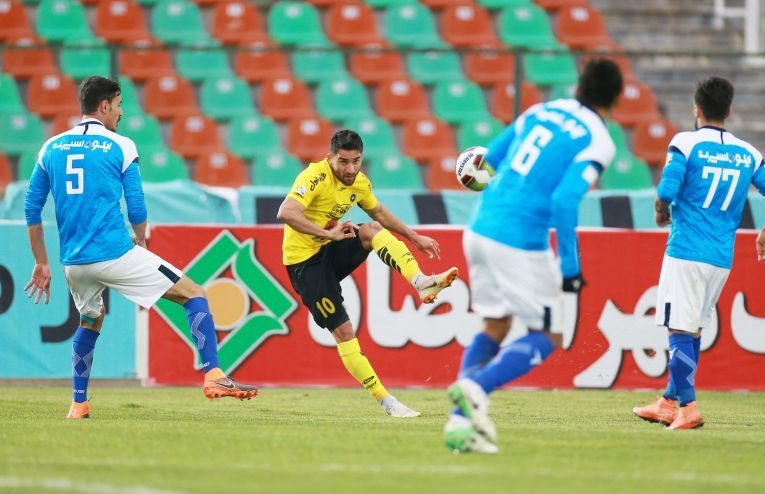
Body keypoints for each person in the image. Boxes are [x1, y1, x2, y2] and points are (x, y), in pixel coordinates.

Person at [24, 76, 259, 419]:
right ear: (104, 105)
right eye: (119, 105)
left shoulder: (51, 147)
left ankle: (78, 404)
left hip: (73, 262)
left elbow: (31, 207)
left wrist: (41, 262)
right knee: (193, 293)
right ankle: (214, 374)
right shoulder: (121, 145)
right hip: (115, 254)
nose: (121, 112)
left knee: (90, 320)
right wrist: (142, 242)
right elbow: (135, 205)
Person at [444, 59, 624, 453]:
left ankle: (461, 425)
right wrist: (571, 267)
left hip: (479, 227)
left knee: (496, 323)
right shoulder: (598, 139)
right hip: (519, 238)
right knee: (549, 334)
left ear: (579, 86)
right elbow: (565, 200)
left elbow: (487, 162)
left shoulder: (540, 110)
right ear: (616, 99)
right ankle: (476, 386)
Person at [277, 129, 458, 418]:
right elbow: (286, 212)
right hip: (304, 264)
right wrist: (329, 234)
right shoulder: (314, 177)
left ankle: (421, 282)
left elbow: (380, 213)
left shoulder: (359, 182)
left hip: (330, 249)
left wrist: (415, 237)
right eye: (343, 162)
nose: (350, 169)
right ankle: (387, 401)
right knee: (344, 332)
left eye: (356, 161)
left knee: (372, 229)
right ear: (330, 157)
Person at [633, 77, 765, 430]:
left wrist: (660, 211)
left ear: (697, 109)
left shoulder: (685, 143)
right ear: (729, 111)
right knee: (691, 329)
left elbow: (666, 190)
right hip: (720, 257)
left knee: (679, 327)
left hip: (686, 250)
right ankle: (667, 403)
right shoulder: (749, 154)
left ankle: (688, 408)